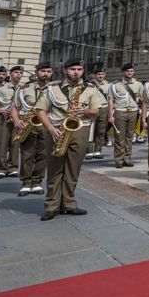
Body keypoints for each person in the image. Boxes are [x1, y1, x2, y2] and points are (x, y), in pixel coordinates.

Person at [36, 58, 106, 220]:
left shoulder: (90, 89)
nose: (76, 72)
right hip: (57, 130)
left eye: (79, 69)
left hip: (80, 129)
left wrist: (84, 111)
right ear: (65, 70)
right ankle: (52, 206)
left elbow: (96, 111)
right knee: (54, 169)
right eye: (72, 69)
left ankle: (69, 204)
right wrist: (50, 128)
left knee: (73, 169)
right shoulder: (52, 89)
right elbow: (40, 110)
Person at [11, 62, 52, 196]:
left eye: (48, 71)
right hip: (28, 122)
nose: (45, 74)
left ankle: (37, 182)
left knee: (43, 155)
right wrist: (16, 120)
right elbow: (15, 107)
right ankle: (26, 183)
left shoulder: (54, 89)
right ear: (36, 72)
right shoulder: (25, 88)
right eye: (43, 71)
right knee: (27, 154)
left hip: (46, 124)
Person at [108, 63, 144, 168]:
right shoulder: (115, 85)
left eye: (131, 71)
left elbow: (143, 98)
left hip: (133, 111)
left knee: (130, 136)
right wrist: (110, 115)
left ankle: (127, 158)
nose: (129, 73)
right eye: (127, 71)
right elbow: (110, 100)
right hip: (120, 111)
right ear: (124, 72)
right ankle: (119, 160)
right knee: (119, 137)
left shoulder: (138, 84)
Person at [0, 66, 25, 179]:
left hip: (19, 118)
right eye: (16, 72)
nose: (18, 74)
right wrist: (0, 110)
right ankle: (0, 169)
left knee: (15, 144)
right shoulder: (2, 88)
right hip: (4, 118)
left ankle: (12, 167)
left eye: (21, 72)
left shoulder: (25, 88)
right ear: (10, 74)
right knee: (2, 144)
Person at [86, 66, 111, 160]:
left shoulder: (109, 85)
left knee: (101, 130)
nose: (100, 76)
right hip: (93, 108)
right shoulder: (89, 85)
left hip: (104, 108)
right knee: (90, 130)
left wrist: (110, 112)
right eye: (99, 74)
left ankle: (98, 151)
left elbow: (110, 99)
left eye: (102, 74)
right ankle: (89, 151)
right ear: (95, 75)